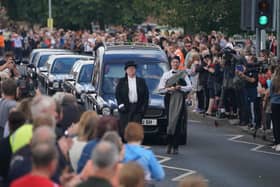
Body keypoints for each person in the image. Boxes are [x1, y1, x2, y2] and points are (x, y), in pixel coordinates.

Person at [158, 56, 192, 154]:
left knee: (177, 122)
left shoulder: (183, 74)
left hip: (180, 99)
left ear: (179, 63)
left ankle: (175, 146)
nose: (175, 64)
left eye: (177, 62)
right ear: (171, 63)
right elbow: (160, 88)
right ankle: (169, 144)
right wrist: (169, 89)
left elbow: (189, 87)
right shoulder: (166, 75)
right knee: (170, 122)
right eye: (174, 62)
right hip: (169, 98)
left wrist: (180, 87)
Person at [115, 61, 149, 137]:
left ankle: (134, 143)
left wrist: (143, 109)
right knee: (125, 129)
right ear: (126, 71)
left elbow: (146, 96)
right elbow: (118, 95)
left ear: (135, 70)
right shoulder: (122, 81)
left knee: (136, 129)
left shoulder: (141, 81)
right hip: (126, 108)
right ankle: (125, 145)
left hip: (137, 108)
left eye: (133, 68)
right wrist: (121, 106)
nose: (131, 70)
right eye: (129, 69)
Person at [270, 66, 280, 151]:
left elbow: (271, 93)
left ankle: (277, 142)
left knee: (276, 124)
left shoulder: (274, 81)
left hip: (275, 103)